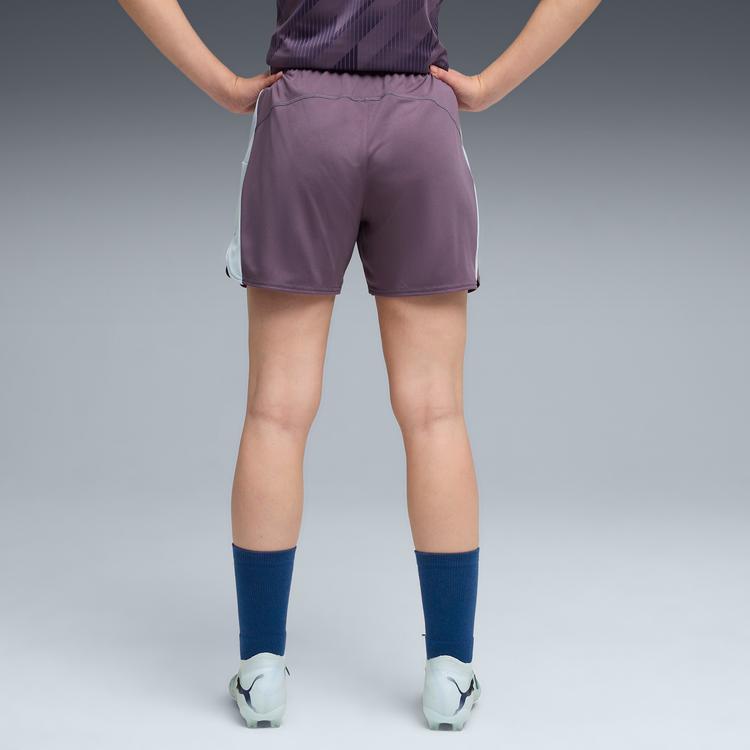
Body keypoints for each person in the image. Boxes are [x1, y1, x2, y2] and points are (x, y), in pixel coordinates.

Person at [117, 0, 601, 731]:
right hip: (421, 120)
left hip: (300, 120)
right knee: (435, 412)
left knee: (276, 411)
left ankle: (261, 672)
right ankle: (450, 674)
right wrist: (491, 84)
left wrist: (220, 84)